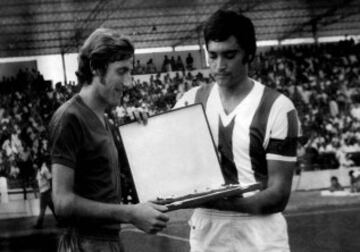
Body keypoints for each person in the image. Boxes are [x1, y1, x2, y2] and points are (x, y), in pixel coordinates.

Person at [174, 9, 301, 252]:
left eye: (229, 55)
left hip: (261, 233)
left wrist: (221, 203)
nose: (219, 65)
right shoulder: (190, 102)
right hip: (207, 231)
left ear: (249, 54)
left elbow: (278, 195)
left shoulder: (278, 107)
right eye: (213, 56)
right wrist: (142, 124)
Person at [49, 28, 169, 252]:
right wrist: (130, 213)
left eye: (129, 72)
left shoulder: (107, 121)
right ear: (96, 68)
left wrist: (138, 132)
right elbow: (62, 203)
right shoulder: (69, 118)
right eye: (121, 71)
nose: (129, 81)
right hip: (85, 242)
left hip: (107, 241)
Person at [33, 161, 57, 229]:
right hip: (43, 191)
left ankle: (39, 224)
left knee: (42, 209)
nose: (34, 165)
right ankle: (61, 221)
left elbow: (50, 178)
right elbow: (38, 180)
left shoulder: (44, 169)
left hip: (45, 191)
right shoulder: (39, 170)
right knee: (52, 207)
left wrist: (51, 189)